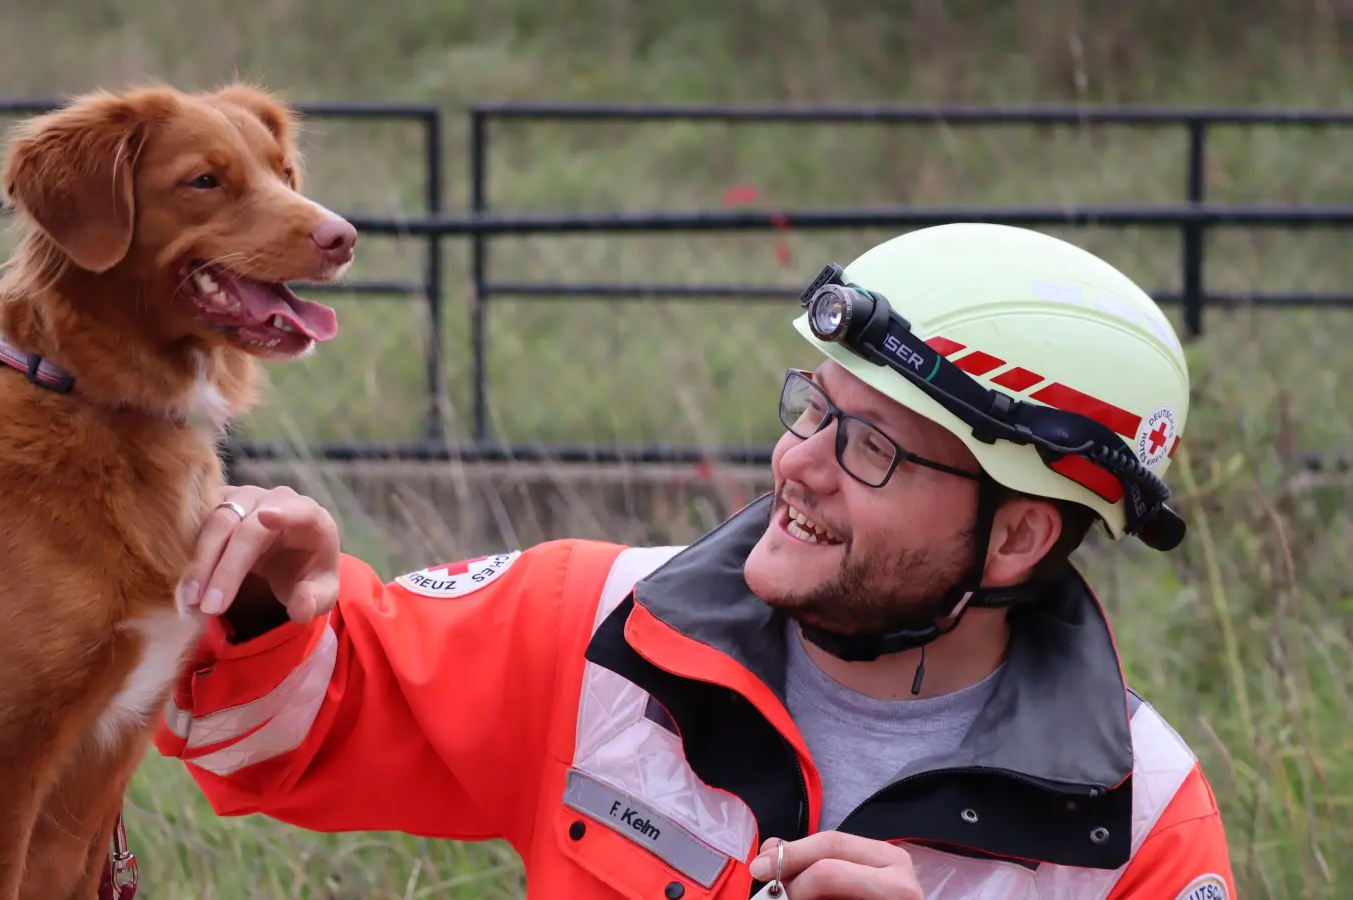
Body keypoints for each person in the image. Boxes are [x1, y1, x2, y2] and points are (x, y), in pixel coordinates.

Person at [156, 223, 1236, 899]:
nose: (796, 465)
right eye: (814, 409)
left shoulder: (1135, 824)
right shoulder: (599, 626)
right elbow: (298, 734)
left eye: (869, 447)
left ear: (1014, 537)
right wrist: (263, 608)